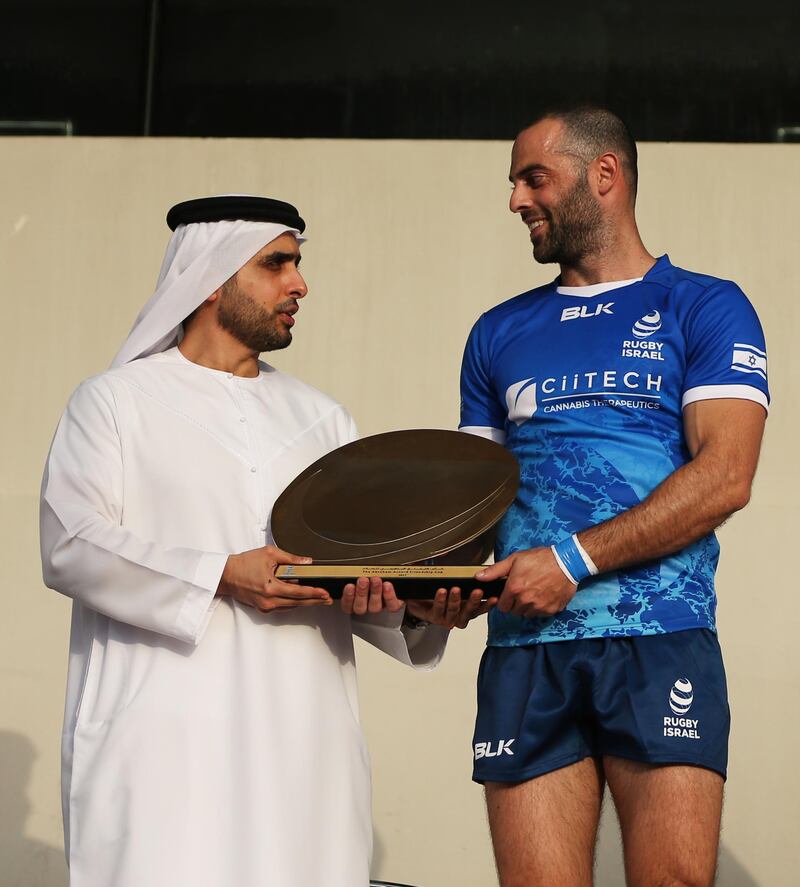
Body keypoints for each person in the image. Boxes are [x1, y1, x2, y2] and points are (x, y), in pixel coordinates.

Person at [40, 195, 487, 887]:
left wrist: (418, 608)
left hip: (303, 750)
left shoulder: (322, 418)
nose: (299, 284)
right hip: (163, 749)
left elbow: (352, 578)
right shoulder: (115, 403)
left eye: (299, 264)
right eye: (276, 264)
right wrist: (222, 572)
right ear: (210, 278)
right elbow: (71, 541)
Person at [460, 108, 769, 886]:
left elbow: (725, 475)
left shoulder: (705, 305)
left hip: (659, 635)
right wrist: (431, 587)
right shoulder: (496, 332)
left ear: (605, 176)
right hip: (525, 650)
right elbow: (468, 508)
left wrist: (569, 559)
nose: (516, 200)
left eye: (534, 177)